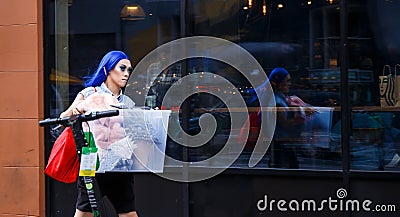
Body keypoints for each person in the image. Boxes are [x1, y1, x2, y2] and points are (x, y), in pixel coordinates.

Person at [60, 50, 138, 217]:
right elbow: (64, 117)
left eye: (129, 70)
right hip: (93, 161)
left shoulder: (128, 101)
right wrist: (78, 108)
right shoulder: (90, 93)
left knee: (128, 213)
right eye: (122, 68)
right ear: (108, 69)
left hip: (119, 163)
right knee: (84, 213)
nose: (126, 74)